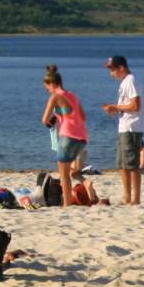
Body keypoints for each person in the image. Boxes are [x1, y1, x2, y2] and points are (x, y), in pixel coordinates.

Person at [41, 64, 88, 207]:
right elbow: (83, 117)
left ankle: (66, 204)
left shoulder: (55, 97)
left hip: (67, 136)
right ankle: (69, 200)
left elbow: (44, 120)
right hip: (82, 138)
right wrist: (61, 115)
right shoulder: (72, 95)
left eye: (47, 87)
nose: (47, 90)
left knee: (64, 174)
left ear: (52, 84)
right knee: (68, 171)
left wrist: (52, 121)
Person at [103, 55, 144, 206]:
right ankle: (127, 196)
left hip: (132, 127)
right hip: (124, 126)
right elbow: (128, 106)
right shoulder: (124, 82)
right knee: (122, 164)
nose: (111, 73)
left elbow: (135, 106)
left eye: (113, 69)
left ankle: (136, 198)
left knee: (132, 164)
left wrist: (115, 107)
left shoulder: (131, 80)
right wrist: (115, 109)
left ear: (121, 68)